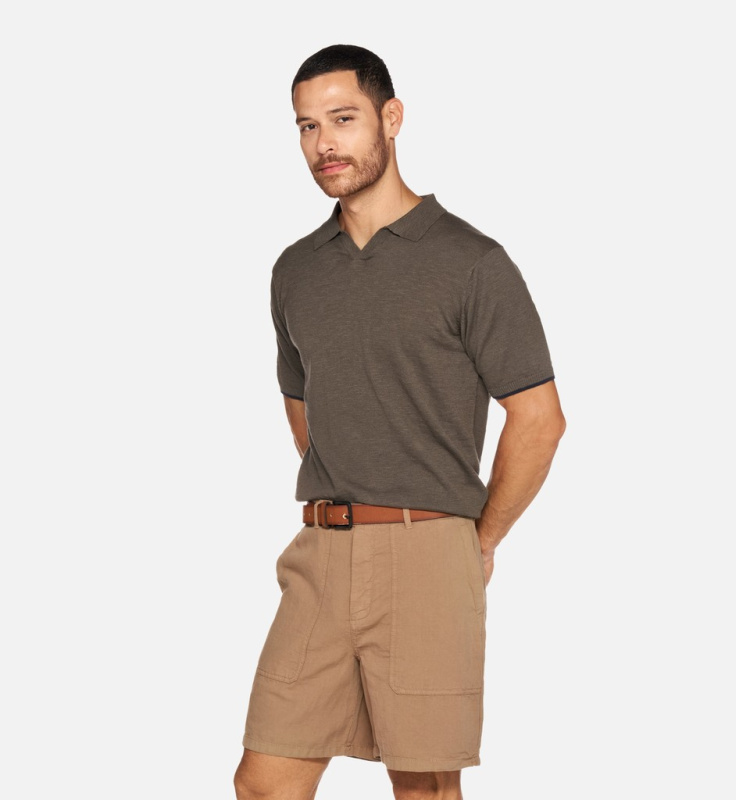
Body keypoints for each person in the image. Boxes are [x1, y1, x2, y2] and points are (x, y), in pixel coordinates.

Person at [234, 44, 566, 800]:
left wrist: (477, 540)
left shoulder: (472, 262)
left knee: (423, 789)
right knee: (265, 781)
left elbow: (540, 419)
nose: (325, 143)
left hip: (428, 553)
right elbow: (304, 407)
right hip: (320, 553)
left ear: (391, 118)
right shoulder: (296, 270)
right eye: (308, 126)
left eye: (343, 119)